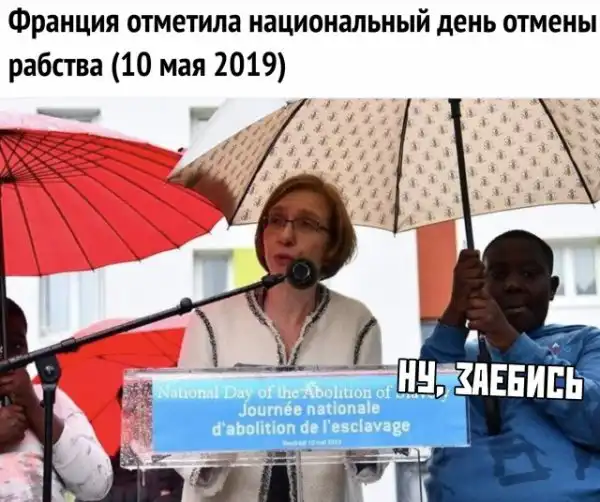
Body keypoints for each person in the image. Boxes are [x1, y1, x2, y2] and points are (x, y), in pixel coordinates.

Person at [177, 174, 386, 502]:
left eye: (306, 224)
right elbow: (179, 434)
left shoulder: (357, 322)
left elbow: (370, 449)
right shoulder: (211, 319)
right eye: (275, 221)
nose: (286, 236)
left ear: (331, 245)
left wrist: (368, 435)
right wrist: (226, 430)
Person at [420, 229, 600, 501]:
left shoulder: (585, 341)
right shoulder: (456, 355)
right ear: (481, 285)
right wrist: (456, 308)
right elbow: (422, 411)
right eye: (498, 275)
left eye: (529, 274)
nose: (513, 284)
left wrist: (509, 340)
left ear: (552, 287)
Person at [0, 298, 113, 501]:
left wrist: (34, 407)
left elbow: (97, 484)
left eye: (17, 345)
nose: (7, 357)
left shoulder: (50, 398)